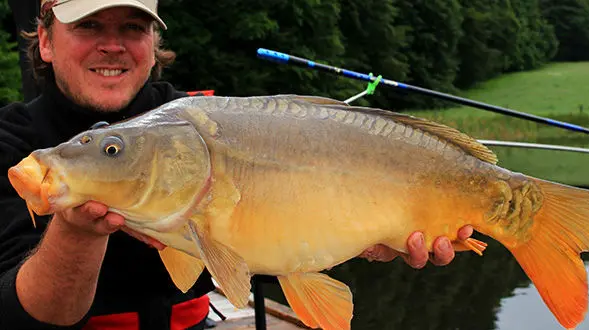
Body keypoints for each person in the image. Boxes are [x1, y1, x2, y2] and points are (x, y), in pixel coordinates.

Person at [0, 0, 474, 329]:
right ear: (44, 40)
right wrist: (77, 232)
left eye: (132, 27)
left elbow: (271, 243)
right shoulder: (14, 144)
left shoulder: (204, 125)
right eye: (88, 26)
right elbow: (20, 317)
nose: (113, 45)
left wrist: (368, 238)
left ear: (152, 40)